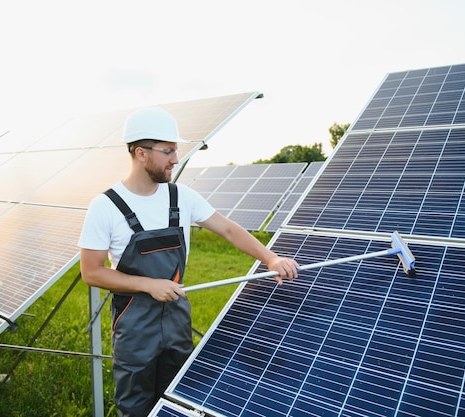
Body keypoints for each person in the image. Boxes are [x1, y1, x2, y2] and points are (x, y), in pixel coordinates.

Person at [77, 107, 299, 417]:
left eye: (175, 150)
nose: (175, 159)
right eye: (167, 151)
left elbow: (228, 230)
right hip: (134, 323)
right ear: (140, 153)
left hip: (177, 317)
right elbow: (91, 272)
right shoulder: (106, 207)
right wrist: (148, 285)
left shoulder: (182, 197)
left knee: (178, 397)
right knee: (136, 405)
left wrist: (271, 258)